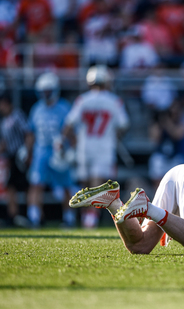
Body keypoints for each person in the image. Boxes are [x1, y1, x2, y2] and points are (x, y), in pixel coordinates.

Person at [62, 65, 130, 228]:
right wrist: (115, 135)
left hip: (85, 146)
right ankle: (91, 218)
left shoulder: (83, 99)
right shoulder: (114, 101)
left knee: (85, 185)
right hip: (104, 147)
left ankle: (87, 217)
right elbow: (123, 125)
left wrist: (67, 141)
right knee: (97, 185)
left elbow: (69, 125)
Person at [26, 72, 75, 228]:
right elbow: (31, 132)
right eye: (43, 91)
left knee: (65, 185)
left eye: (48, 91)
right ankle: (34, 218)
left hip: (58, 151)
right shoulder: (36, 109)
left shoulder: (63, 107)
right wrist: (27, 150)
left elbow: (71, 130)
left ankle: (69, 218)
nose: (46, 95)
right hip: (41, 150)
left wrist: (72, 149)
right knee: (36, 184)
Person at [0, 95, 29, 227]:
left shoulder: (17, 116)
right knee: (11, 186)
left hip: (21, 155)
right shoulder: (4, 121)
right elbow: (4, 142)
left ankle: (30, 215)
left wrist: (28, 152)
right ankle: (13, 215)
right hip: (11, 156)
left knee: (26, 186)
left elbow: (28, 133)